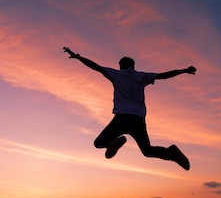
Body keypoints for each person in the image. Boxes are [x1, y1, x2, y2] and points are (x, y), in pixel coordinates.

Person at [63, 46, 196, 170]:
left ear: (121, 66)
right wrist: (184, 70)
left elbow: (95, 67)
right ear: (133, 66)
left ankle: (113, 143)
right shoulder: (141, 76)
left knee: (98, 143)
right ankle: (171, 152)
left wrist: (78, 57)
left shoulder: (116, 74)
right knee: (147, 151)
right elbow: (164, 75)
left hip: (121, 118)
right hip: (138, 120)